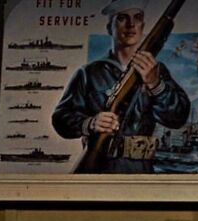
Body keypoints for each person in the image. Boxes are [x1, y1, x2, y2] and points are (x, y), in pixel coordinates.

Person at [52, 0, 190, 173]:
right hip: (101, 167)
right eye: (122, 18)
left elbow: (177, 118)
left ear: (143, 26)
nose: (131, 24)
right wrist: (90, 123)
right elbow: (61, 118)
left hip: (141, 170)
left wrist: (155, 84)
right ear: (110, 27)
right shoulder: (89, 73)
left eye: (137, 18)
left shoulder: (157, 71)